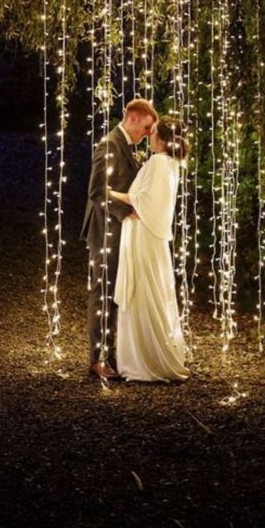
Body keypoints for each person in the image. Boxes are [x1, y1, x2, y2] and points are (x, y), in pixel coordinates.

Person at [80, 98, 157, 379]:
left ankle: (111, 355)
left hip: (117, 230)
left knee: (114, 294)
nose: (148, 134)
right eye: (147, 127)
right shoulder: (110, 145)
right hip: (105, 231)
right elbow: (97, 192)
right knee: (102, 293)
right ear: (133, 118)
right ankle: (97, 359)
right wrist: (130, 210)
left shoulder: (126, 146)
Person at [109, 116, 190, 383]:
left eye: (153, 132)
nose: (149, 135)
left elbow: (140, 200)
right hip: (155, 238)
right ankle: (154, 353)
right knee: (154, 290)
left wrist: (108, 192)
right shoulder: (173, 163)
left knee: (142, 291)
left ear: (162, 138)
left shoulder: (158, 162)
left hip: (144, 236)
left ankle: (142, 361)